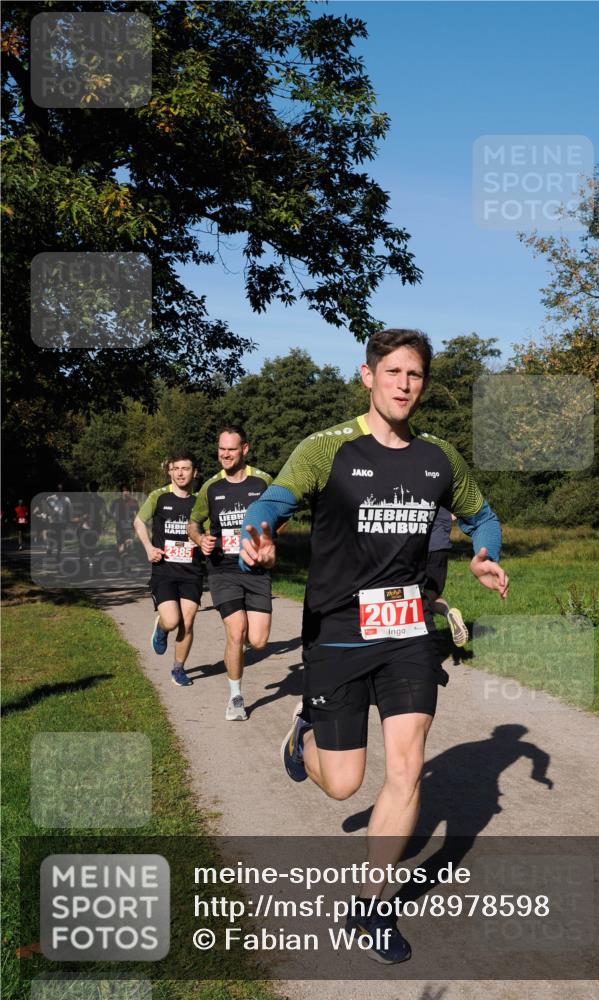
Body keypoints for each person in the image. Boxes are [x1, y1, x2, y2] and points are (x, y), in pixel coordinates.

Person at [240, 328, 508, 964]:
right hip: (337, 630)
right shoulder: (327, 448)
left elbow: (484, 515)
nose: (403, 384)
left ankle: (372, 908)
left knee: (408, 766)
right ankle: (302, 733)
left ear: (424, 384)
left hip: (409, 629)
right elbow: (272, 501)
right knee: (342, 784)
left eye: (414, 374)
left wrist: (485, 553)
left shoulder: (439, 457)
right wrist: (258, 531)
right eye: (392, 371)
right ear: (368, 376)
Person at [187, 427, 273, 720]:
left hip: (256, 569)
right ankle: (236, 698)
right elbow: (193, 523)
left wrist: (269, 539)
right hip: (223, 569)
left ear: (244, 449)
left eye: (231, 449)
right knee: (236, 632)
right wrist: (200, 539)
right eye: (221, 449)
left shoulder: (263, 482)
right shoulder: (211, 487)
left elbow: (282, 514)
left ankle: (241, 647)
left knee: (259, 640)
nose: (225, 454)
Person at [134, 452, 203, 687]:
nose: (181, 473)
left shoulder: (201, 500)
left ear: (195, 472)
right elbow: (138, 521)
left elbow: (212, 529)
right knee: (172, 620)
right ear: (170, 472)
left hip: (192, 571)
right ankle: (162, 628)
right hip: (164, 570)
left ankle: (178, 669)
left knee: (188, 621)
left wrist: (202, 540)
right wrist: (148, 548)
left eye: (186, 468)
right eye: (176, 468)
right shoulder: (159, 497)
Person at [424, 507, 469, 647]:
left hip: (420, 547)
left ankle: (427, 639)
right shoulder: (445, 490)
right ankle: (449, 613)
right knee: (433, 594)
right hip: (440, 547)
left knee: (418, 596)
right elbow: (457, 513)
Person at [44, 484, 73, 559]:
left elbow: (69, 510)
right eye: (58, 490)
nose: (59, 491)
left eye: (61, 490)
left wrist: (69, 520)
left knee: (60, 538)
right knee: (51, 536)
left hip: (62, 522)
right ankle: (49, 547)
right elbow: (46, 507)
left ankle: (58, 554)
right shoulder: (50, 498)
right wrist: (47, 515)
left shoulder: (66, 499)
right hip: (52, 521)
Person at [110, 487, 139, 555]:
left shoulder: (134, 502)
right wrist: (114, 518)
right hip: (120, 526)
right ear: (121, 492)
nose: (126, 493)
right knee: (120, 546)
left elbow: (137, 513)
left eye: (127, 491)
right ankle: (119, 556)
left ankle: (127, 558)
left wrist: (136, 522)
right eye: (124, 491)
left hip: (130, 526)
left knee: (129, 544)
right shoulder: (116, 501)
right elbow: (111, 512)